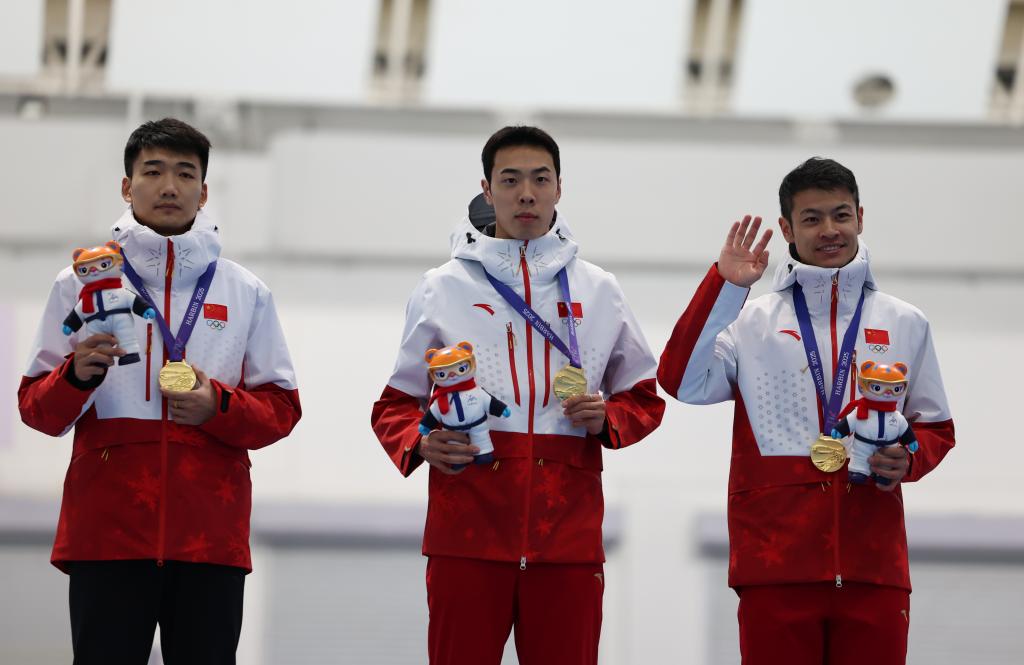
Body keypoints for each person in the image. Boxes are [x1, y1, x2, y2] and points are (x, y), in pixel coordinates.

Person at [371, 125, 664, 665]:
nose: (526, 193)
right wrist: (419, 441)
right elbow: (393, 405)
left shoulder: (600, 289)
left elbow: (644, 397)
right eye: (510, 180)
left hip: (568, 537)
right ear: (487, 190)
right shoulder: (443, 287)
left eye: (539, 179)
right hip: (467, 531)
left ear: (559, 188)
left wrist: (607, 416)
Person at [18, 118, 301, 664]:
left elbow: (283, 409)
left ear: (204, 189)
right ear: (127, 187)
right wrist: (75, 376)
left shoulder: (245, 291)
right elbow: (36, 410)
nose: (169, 186)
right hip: (108, 533)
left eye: (184, 173)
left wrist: (216, 406)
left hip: (210, 536)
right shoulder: (76, 284)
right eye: (153, 171)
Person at [657, 157, 955, 665]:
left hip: (873, 566)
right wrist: (724, 288)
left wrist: (909, 460)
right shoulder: (750, 321)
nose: (830, 230)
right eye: (812, 218)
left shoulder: (905, 321)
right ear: (787, 229)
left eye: (840, 215)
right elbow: (680, 380)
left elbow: (936, 429)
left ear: (861, 217)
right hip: (775, 564)